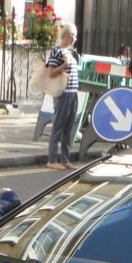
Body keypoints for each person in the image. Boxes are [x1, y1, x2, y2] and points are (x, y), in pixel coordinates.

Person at [45, 23, 80, 170]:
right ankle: (52, 160)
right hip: (63, 94)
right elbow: (51, 73)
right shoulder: (57, 51)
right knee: (59, 126)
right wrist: (64, 66)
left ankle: (65, 159)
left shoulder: (70, 53)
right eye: (74, 35)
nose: (75, 38)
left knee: (68, 127)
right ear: (67, 35)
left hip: (73, 93)